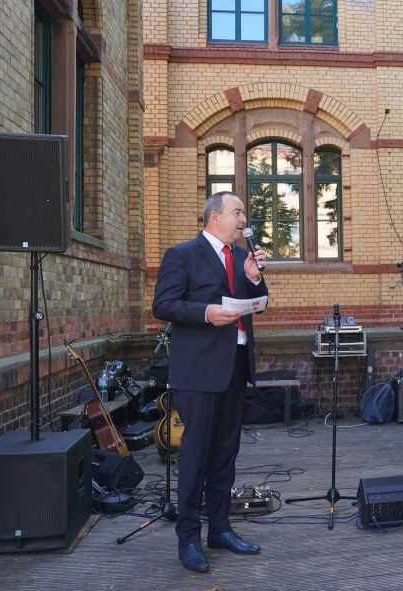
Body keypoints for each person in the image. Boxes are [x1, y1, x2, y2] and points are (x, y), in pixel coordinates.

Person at [153, 191, 268, 574]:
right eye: (237, 212)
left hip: (234, 366)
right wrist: (205, 312)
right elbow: (163, 305)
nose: (242, 219)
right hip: (198, 372)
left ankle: (219, 528)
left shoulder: (239, 257)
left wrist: (253, 280)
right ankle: (189, 537)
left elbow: (257, 301)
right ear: (214, 216)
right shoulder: (182, 255)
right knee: (196, 455)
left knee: (225, 455)